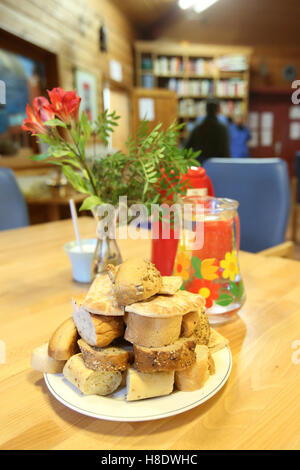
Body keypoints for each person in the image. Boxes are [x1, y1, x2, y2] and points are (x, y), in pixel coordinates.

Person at [184, 99, 230, 164]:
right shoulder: (222, 129)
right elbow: (225, 152)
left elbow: (187, 148)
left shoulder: (198, 127)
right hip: (217, 166)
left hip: (201, 166)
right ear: (218, 110)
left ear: (206, 110)